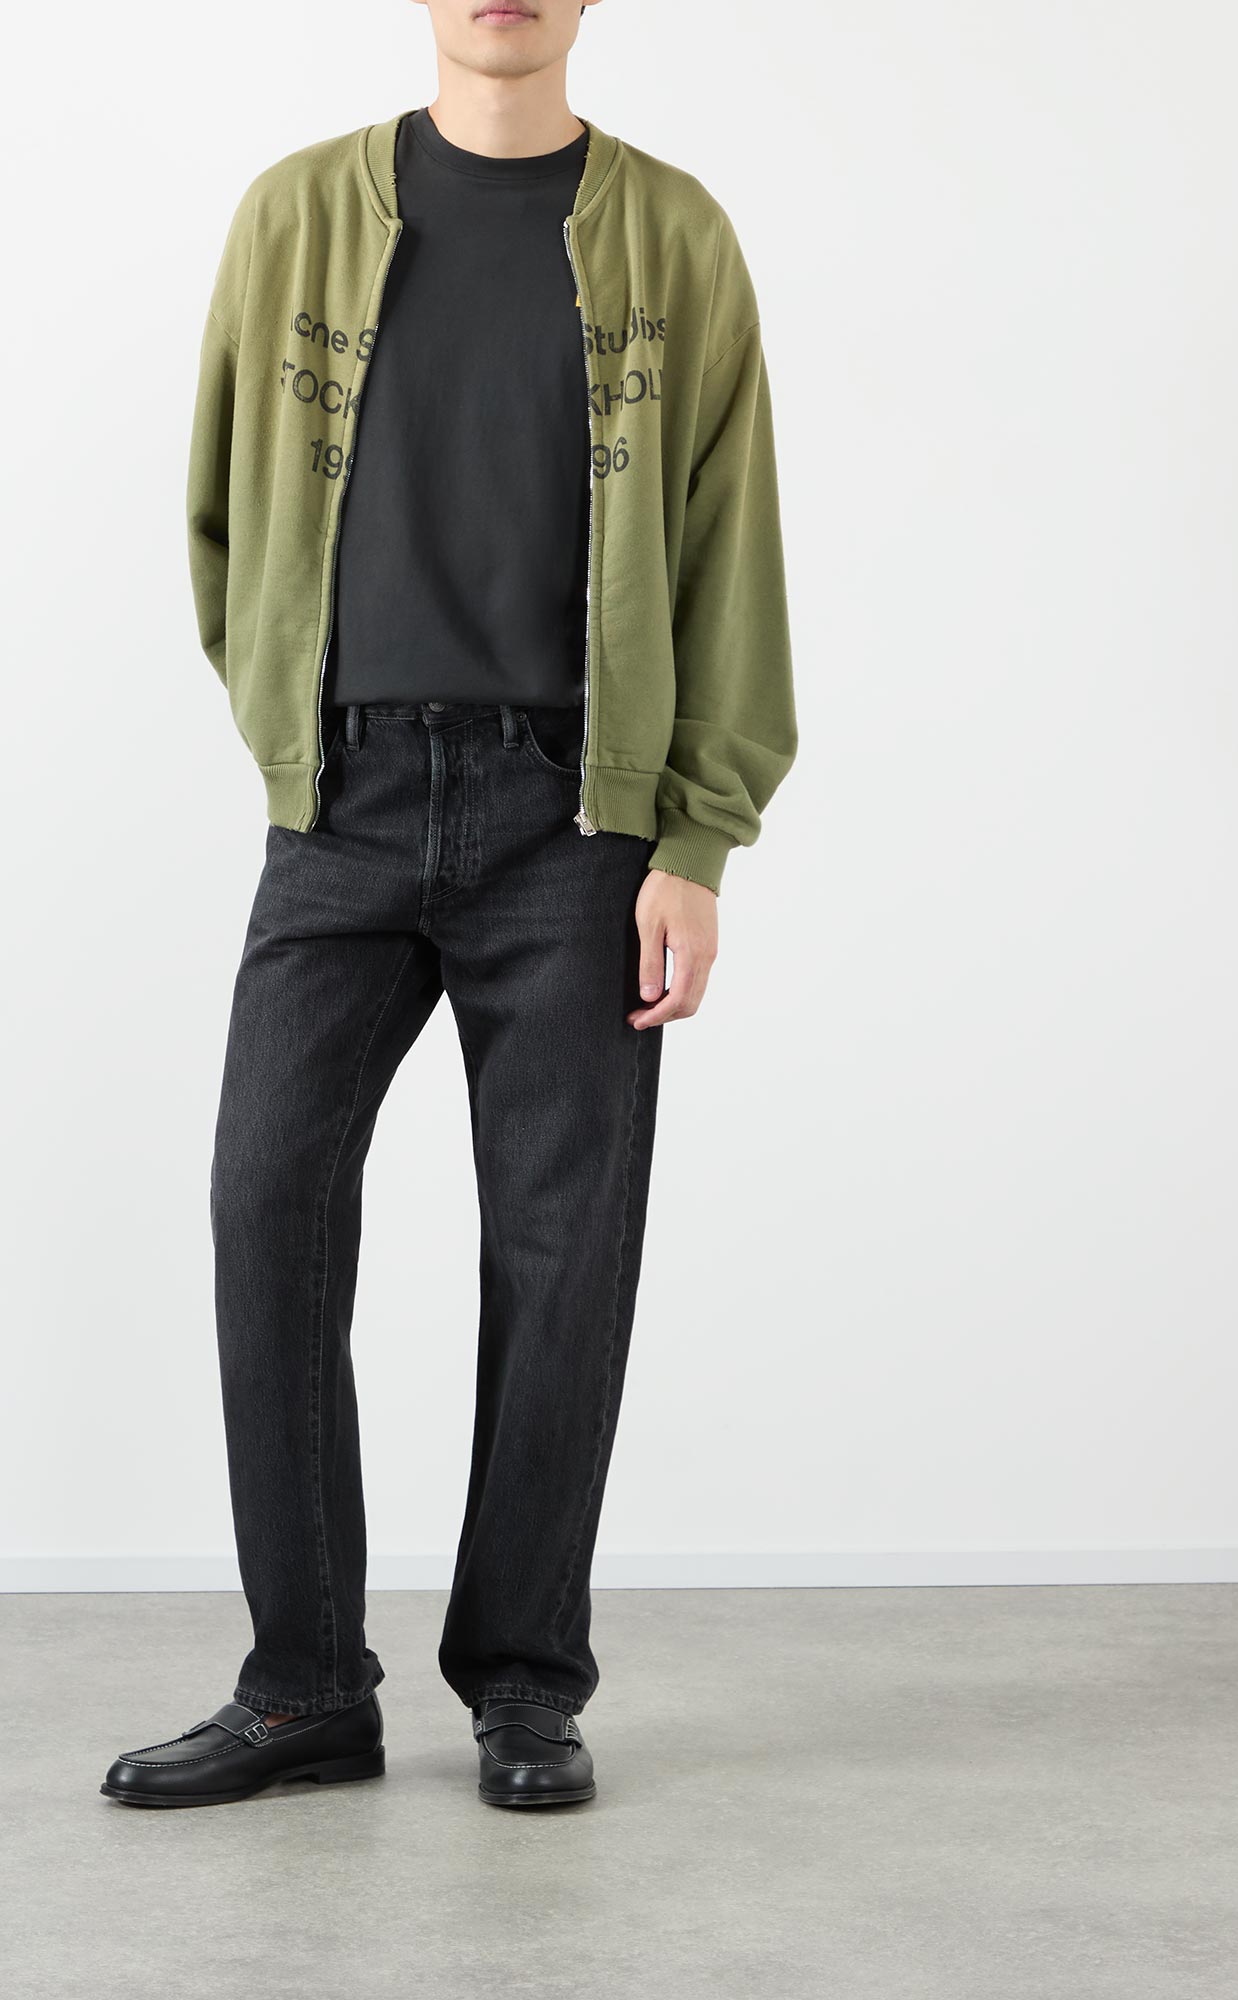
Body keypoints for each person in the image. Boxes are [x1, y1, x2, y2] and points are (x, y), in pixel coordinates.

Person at [100, 0, 795, 1810]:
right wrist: (293, 724)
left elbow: (730, 546)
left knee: (564, 1250)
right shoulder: (295, 214)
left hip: (578, 816)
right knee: (266, 1202)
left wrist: (698, 841)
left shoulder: (675, 234)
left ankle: (526, 1683)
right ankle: (305, 1686)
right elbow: (218, 513)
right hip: (337, 802)